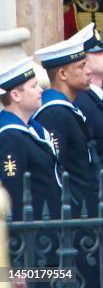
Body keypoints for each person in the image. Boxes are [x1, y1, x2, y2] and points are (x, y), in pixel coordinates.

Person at [34, 35, 100, 288]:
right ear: (62, 73)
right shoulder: (55, 113)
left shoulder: (68, 108)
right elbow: (54, 168)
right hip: (75, 219)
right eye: (81, 67)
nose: (88, 71)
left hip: (86, 216)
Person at [0, 57, 60, 220]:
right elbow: (13, 190)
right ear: (15, 95)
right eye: (33, 86)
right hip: (34, 233)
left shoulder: (34, 128)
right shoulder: (10, 136)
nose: (41, 90)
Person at [74, 24, 103, 217]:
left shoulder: (99, 97)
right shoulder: (83, 102)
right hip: (93, 202)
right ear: (83, 61)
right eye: (99, 52)